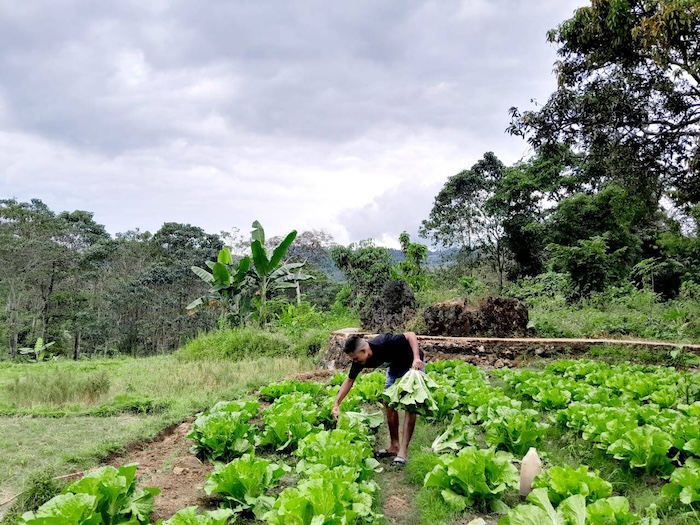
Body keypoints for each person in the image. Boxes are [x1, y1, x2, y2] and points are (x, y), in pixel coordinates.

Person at [331, 331, 424, 466]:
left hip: (412, 365)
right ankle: (394, 446)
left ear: (364, 350)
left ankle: (403, 452)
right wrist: (336, 403)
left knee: (411, 406)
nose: (355, 362)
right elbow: (349, 380)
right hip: (394, 368)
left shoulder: (385, 342)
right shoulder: (359, 359)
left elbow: (410, 335)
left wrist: (416, 358)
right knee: (388, 402)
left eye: (356, 358)